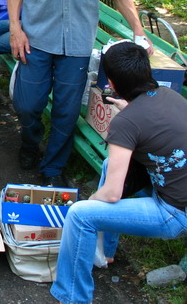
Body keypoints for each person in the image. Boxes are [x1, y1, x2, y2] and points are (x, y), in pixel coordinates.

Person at [3, 0, 152, 187]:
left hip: (78, 42)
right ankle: (30, 144)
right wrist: (15, 28)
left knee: (66, 111)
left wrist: (139, 30)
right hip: (36, 38)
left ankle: (53, 168)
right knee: (28, 105)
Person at [50, 41, 187, 304]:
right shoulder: (169, 95)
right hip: (179, 192)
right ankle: (106, 253)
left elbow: (112, 194)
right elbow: (151, 122)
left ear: (111, 82)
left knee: (80, 215)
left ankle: (72, 297)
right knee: (108, 166)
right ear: (147, 71)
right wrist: (130, 110)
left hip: (176, 213)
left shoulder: (125, 123)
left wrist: (91, 201)